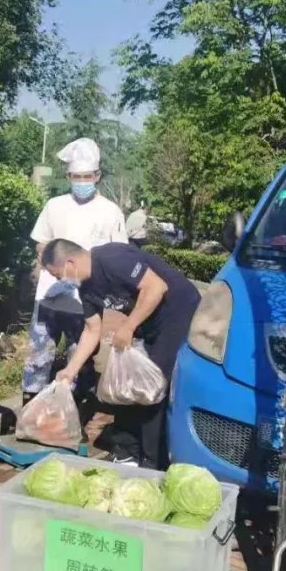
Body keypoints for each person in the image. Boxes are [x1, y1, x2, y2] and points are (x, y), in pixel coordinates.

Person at [43, 238, 201, 469]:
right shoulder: (86, 289)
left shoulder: (112, 258)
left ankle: (152, 461)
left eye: (58, 275)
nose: (61, 281)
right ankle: (128, 451)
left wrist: (128, 327)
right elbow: (92, 329)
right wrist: (70, 370)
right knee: (126, 384)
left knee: (152, 386)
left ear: (69, 263)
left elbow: (156, 287)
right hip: (148, 322)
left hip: (178, 311)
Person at [23, 138, 127, 406]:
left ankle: (73, 418)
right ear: (68, 176)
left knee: (79, 361)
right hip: (48, 296)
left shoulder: (110, 211)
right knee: (37, 358)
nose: (82, 181)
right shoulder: (54, 206)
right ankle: (31, 412)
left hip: (86, 302)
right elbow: (41, 243)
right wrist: (48, 269)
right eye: (76, 176)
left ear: (97, 176)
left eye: (87, 176)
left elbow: (119, 256)